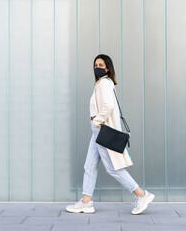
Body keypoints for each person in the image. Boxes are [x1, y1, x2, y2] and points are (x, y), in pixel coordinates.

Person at [66, 54, 155, 215]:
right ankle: (86, 202)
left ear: (107, 68)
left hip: (101, 128)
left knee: (113, 168)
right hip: (98, 129)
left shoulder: (104, 84)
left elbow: (108, 106)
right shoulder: (104, 83)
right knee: (89, 166)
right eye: (95, 64)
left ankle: (141, 194)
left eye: (101, 64)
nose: (97, 67)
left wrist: (96, 121)